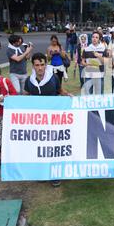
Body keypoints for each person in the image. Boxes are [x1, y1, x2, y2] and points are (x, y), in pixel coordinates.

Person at [24, 53, 72, 186]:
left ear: (46, 64)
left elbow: (60, 90)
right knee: (40, 146)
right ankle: (42, 172)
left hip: (53, 118)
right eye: (37, 65)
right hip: (38, 119)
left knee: (53, 146)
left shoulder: (53, 77)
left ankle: (55, 174)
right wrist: (10, 100)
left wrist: (68, 95)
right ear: (33, 66)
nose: (40, 68)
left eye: (42, 65)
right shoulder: (29, 80)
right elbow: (25, 96)